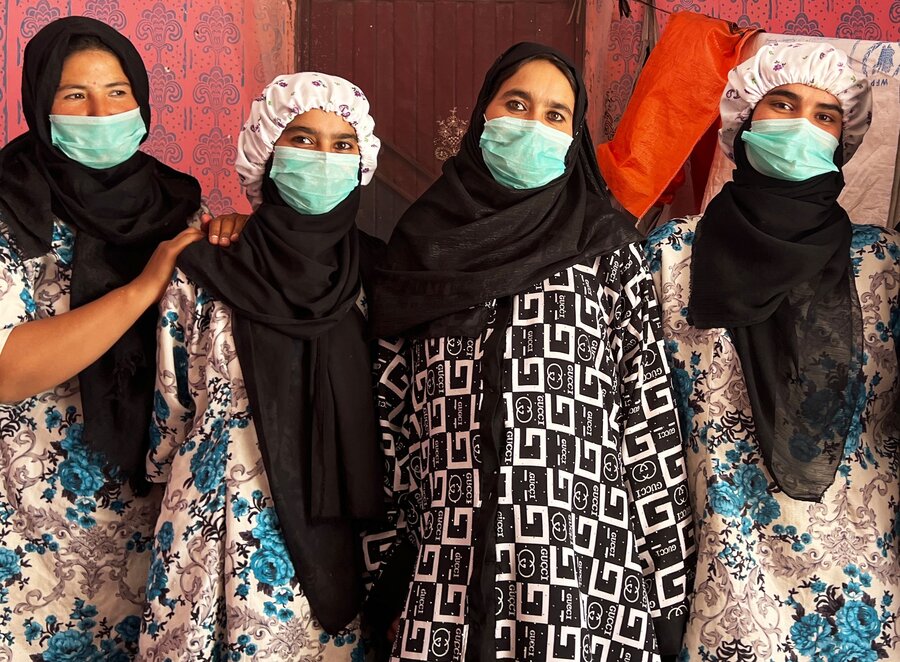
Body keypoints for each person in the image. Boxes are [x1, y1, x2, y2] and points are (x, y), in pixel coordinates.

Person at [365, 42, 695, 662]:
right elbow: (392, 424)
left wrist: (670, 595)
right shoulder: (418, 249)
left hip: (586, 587)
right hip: (445, 588)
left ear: (575, 136)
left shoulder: (606, 249)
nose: (533, 125)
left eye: (556, 115)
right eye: (517, 104)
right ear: (481, 115)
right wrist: (389, 574)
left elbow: (648, 424)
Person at [645, 41, 900, 660]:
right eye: (781, 104)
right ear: (743, 123)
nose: (801, 127)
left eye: (825, 115)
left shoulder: (883, 268)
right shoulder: (671, 258)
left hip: (865, 588)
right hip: (719, 581)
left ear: (843, 142)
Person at [140, 72, 384, 660]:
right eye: (301, 138)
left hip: (344, 529)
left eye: (342, 144)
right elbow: (174, 397)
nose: (323, 158)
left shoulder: (379, 274)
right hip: (216, 520)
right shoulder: (208, 263)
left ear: (362, 163)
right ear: (265, 154)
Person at [0, 17, 215, 659]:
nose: (101, 113)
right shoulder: (12, 208)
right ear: (40, 105)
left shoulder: (174, 205)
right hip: (37, 530)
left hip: (156, 517)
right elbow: (7, 367)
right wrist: (142, 287)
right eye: (74, 96)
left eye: (117, 92)